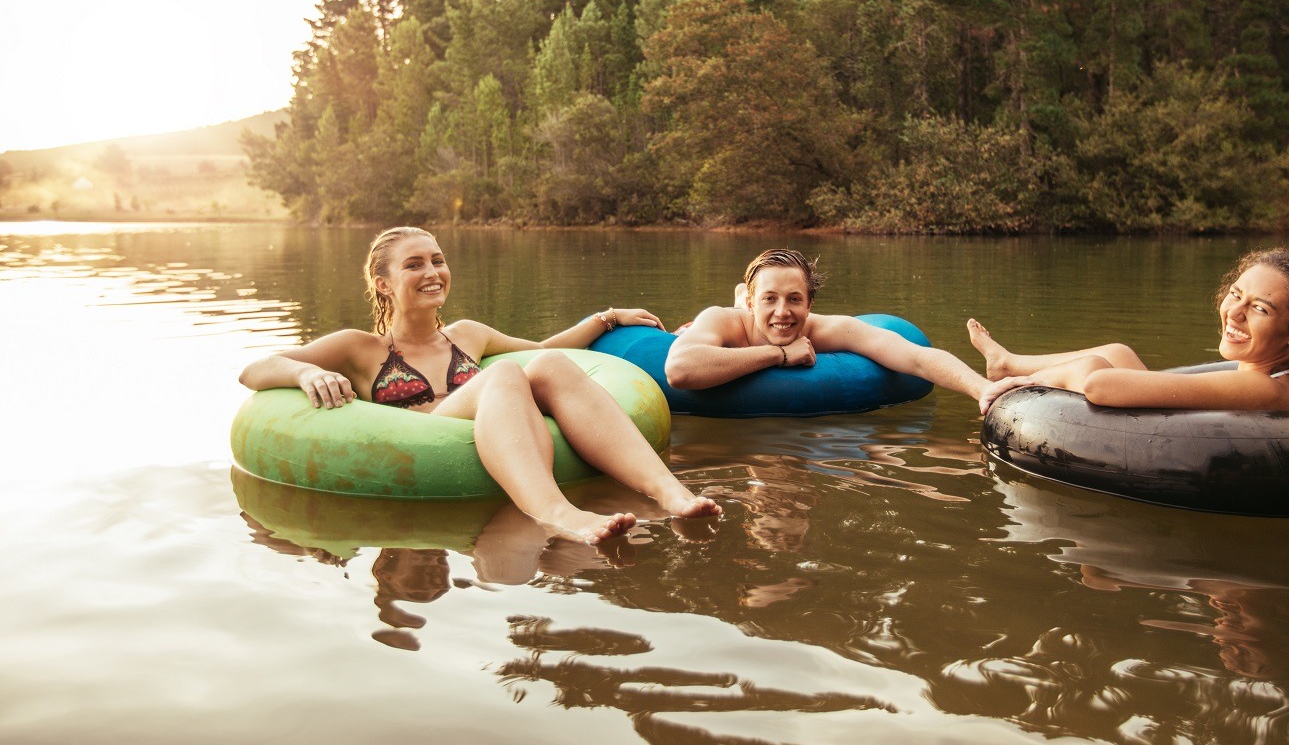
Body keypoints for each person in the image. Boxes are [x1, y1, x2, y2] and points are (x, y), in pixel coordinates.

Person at [239, 226, 720, 545]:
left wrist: (608, 318)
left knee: (544, 366)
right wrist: (306, 371)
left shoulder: (468, 334)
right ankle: (557, 513)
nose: (432, 273)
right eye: (414, 265)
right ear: (383, 283)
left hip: (495, 419)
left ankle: (670, 492)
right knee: (506, 373)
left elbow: (546, 349)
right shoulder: (359, 348)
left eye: (437, 260)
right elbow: (254, 370)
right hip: (424, 437)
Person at [971, 247, 1289, 415]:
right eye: (1236, 295)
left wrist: (1037, 382)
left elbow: (1098, 387)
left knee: (1097, 365)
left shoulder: (1264, 389)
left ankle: (1018, 373)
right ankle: (1006, 361)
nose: (1234, 313)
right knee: (1119, 349)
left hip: (1164, 442)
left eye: (1258, 308)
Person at [664, 248, 995, 403]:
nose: (783, 312)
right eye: (769, 299)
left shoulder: (827, 330)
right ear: (752, 304)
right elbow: (678, 370)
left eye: (795, 299)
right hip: (731, 323)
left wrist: (981, 388)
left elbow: (915, 356)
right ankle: (740, 294)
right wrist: (777, 355)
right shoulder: (721, 319)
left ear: (810, 305)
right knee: (728, 316)